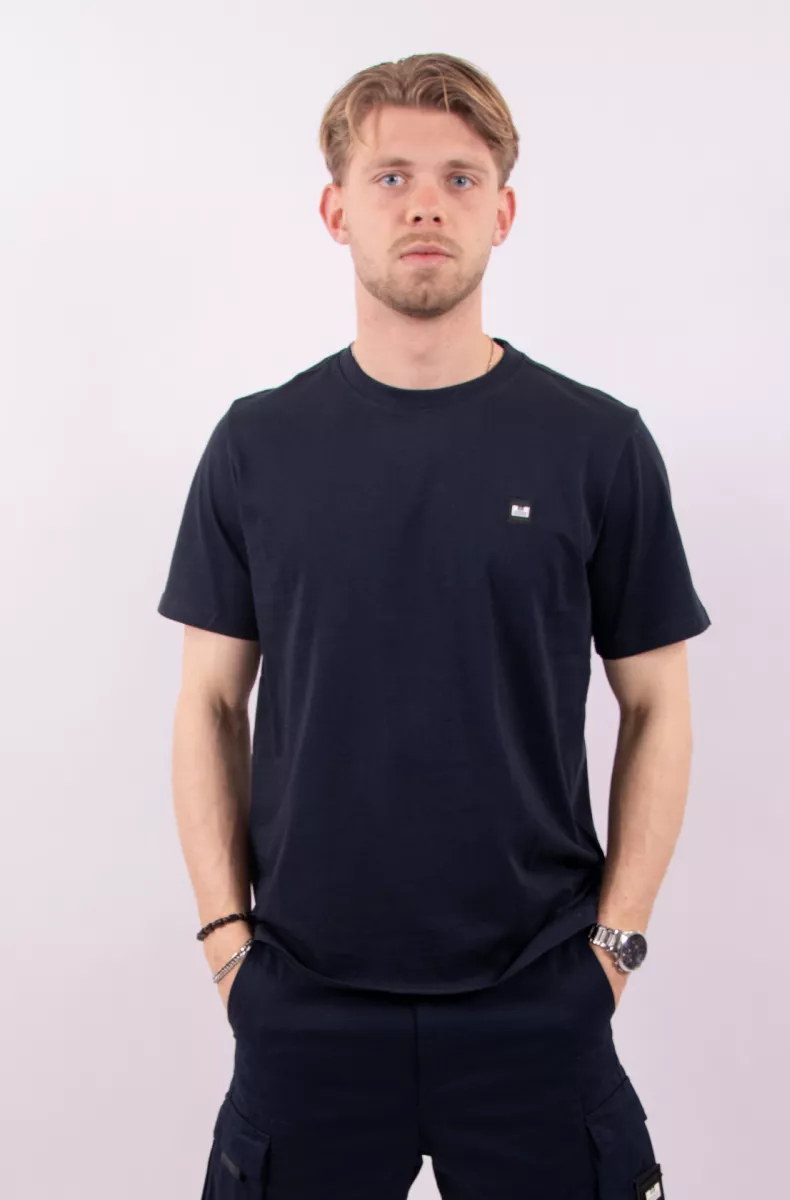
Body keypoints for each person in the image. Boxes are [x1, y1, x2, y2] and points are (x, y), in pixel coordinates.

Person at [158, 51, 709, 1200]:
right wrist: (226, 948)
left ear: (501, 213)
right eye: (390, 175)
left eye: (459, 178)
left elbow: (656, 704)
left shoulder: (596, 445)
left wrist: (612, 950)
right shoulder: (257, 446)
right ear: (336, 210)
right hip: (302, 1002)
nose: (423, 205)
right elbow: (209, 702)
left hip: (538, 998)